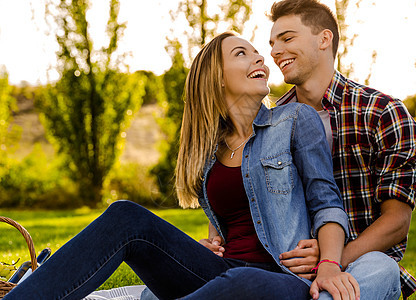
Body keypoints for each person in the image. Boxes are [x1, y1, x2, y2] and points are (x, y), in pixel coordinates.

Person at [4, 32, 356, 300]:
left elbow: (326, 201)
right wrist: (203, 247)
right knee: (126, 215)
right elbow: (227, 229)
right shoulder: (209, 152)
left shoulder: (295, 119)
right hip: (219, 274)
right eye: (241, 53)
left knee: (242, 281)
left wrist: (328, 263)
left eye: (256, 52)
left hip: (279, 279)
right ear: (216, 78)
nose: (260, 57)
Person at [184, 1, 416, 299]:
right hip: (288, 268)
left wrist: (331, 260)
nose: (274, 51)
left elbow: (397, 221)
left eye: (287, 38)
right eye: (272, 43)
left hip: (357, 261)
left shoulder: (381, 112)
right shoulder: (270, 123)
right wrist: (212, 246)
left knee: (379, 267)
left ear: (324, 39)